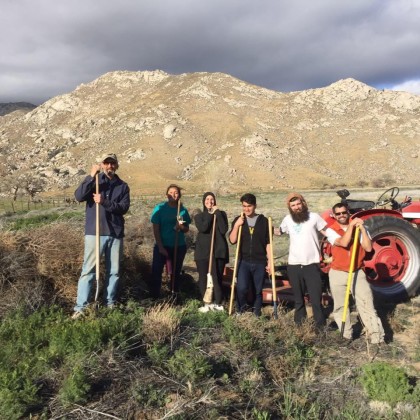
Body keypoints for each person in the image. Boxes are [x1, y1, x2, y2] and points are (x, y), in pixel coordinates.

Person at [72, 153, 130, 318]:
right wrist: (91, 176)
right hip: (95, 232)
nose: (110, 166)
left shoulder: (123, 186)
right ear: (102, 165)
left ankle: (109, 302)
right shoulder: (95, 181)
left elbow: (123, 208)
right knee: (88, 270)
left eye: (113, 163)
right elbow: (78, 196)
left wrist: (103, 201)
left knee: (114, 271)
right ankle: (80, 308)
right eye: (107, 163)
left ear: (117, 165)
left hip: (115, 233)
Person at [326, 203, 385, 343]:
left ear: (348, 212)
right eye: (338, 213)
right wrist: (352, 226)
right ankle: (346, 335)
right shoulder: (331, 230)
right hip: (338, 272)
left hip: (357, 272)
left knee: (366, 303)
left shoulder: (360, 229)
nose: (341, 215)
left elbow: (368, 247)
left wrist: (363, 229)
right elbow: (344, 242)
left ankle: (376, 337)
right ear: (334, 215)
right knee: (340, 306)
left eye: (344, 212)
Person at [278, 192, 327, 329]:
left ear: (303, 203)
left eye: (298, 204)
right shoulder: (287, 219)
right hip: (294, 265)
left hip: (311, 264)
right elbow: (279, 231)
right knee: (299, 299)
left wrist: (340, 239)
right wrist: (267, 227)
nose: (296, 207)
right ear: (289, 207)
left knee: (316, 298)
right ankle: (300, 325)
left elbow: (327, 232)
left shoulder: (314, 217)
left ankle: (320, 326)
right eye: (293, 205)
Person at [229, 193, 271, 316]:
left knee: (258, 290)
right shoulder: (239, 220)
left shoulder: (264, 221)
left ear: (255, 206)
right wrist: (237, 225)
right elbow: (232, 240)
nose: (247, 209)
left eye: (249, 206)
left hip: (260, 261)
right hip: (243, 261)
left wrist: (270, 262)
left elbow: (268, 244)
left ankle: (256, 313)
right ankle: (240, 311)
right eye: (244, 206)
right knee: (242, 288)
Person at [150, 184, 191, 298]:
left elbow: (186, 229)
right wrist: (161, 247)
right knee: (156, 271)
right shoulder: (160, 208)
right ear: (167, 194)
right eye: (171, 192)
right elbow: (156, 229)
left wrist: (181, 227)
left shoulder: (182, 210)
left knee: (175, 272)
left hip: (178, 246)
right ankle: (155, 297)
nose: (173, 194)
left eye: (176, 192)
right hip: (162, 246)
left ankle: (174, 294)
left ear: (179, 195)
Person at [194, 192, 229, 312]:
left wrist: (217, 213)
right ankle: (206, 303)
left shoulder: (221, 214)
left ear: (215, 201)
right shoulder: (199, 216)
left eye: (212, 199)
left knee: (217, 278)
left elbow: (223, 229)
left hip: (218, 252)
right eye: (207, 199)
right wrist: (210, 214)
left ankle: (218, 303)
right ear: (204, 202)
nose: (210, 201)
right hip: (202, 252)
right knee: (203, 278)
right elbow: (203, 228)